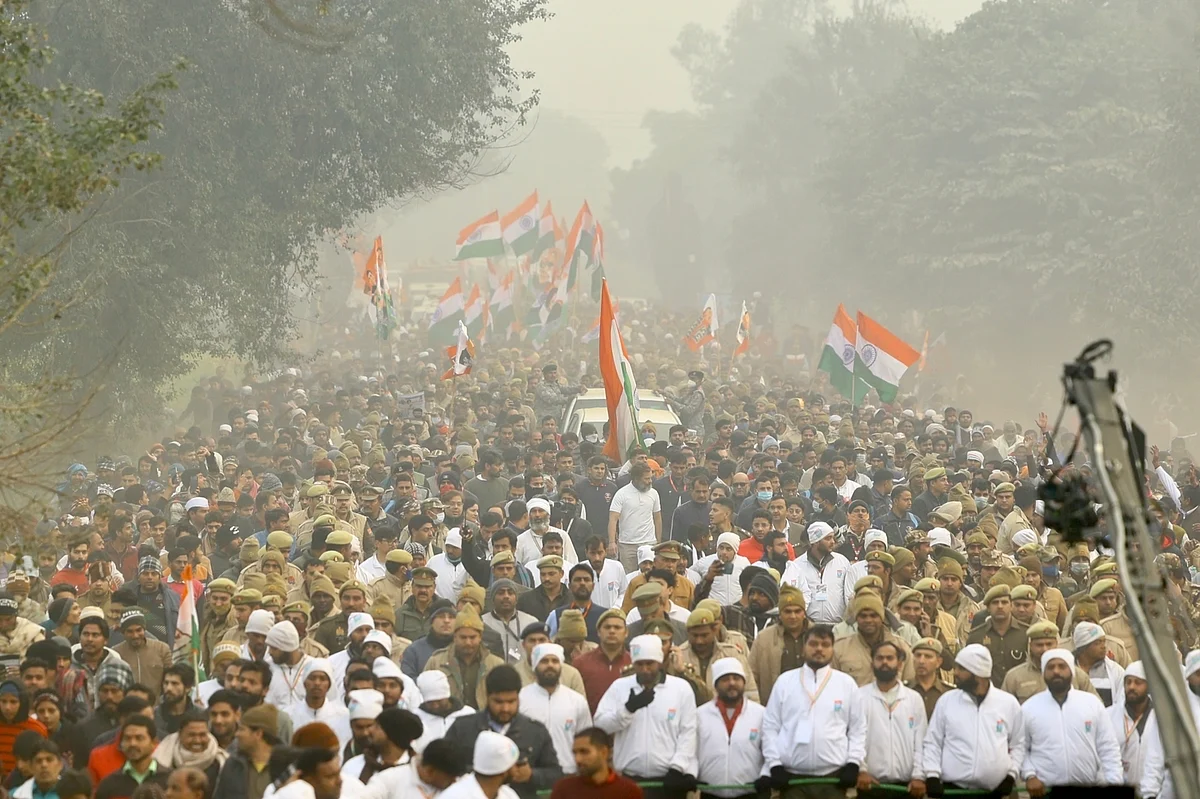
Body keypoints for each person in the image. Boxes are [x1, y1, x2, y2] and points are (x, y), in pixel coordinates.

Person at [759, 625, 864, 799]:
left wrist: (853, 763)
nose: (819, 649)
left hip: (833, 778)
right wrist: (774, 764)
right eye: (813, 644)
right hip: (793, 779)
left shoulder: (846, 683)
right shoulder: (785, 682)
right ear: (804, 647)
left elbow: (858, 729)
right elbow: (770, 727)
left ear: (832, 649)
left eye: (825, 644)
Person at [594, 634, 698, 799]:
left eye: (649, 664)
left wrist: (678, 767)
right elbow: (600, 726)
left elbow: (688, 732)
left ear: (660, 661)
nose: (644, 669)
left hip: (668, 781)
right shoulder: (620, 687)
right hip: (629, 780)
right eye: (639, 664)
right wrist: (627, 710)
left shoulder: (680, 689)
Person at [442, 665, 563, 799]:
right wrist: (483, 774)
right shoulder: (462, 727)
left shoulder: (535, 731)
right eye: (498, 702)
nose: (505, 708)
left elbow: (556, 774)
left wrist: (531, 775)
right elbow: (443, 768)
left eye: (511, 701)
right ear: (487, 697)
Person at [921, 644, 1024, 796]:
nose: (955, 673)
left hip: (994, 792)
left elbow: (1019, 745)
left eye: (961, 669)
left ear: (978, 673)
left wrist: (1011, 775)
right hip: (953, 791)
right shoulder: (947, 701)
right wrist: (932, 775)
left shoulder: (1008, 703)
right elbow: (933, 742)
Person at [1019, 648, 1122, 793]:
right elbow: (1020, 749)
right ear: (1043, 673)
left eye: (1062, 666)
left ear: (1072, 671)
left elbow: (1108, 748)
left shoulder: (1091, 703)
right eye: (1051, 667)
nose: (1056, 671)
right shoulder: (1029, 708)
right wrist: (1030, 775)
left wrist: (1113, 781)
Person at [856, 640, 927, 799]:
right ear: (872, 663)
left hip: (907, 788)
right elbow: (854, 739)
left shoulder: (913, 699)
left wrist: (918, 776)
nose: (885, 662)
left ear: (900, 664)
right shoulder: (859, 697)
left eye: (890, 658)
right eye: (880, 658)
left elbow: (921, 742)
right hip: (869, 786)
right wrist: (861, 770)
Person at [517, 644, 592, 775]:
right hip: (530, 774)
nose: (550, 665)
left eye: (555, 661)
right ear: (535, 666)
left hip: (568, 773)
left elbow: (586, 740)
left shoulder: (577, 701)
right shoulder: (520, 699)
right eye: (544, 661)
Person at [696, 657, 764, 799]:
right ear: (716, 685)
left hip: (751, 793)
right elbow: (690, 752)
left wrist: (767, 775)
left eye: (736, 678)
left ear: (744, 682)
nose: (732, 683)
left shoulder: (761, 714)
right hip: (711, 793)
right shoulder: (699, 715)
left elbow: (771, 751)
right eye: (725, 679)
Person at [423, 609, 506, 710]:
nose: (468, 642)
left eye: (472, 637)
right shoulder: (436, 662)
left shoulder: (496, 665)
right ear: (454, 637)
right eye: (463, 637)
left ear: (480, 637)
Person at [747, 584, 808, 705]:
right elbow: (752, 677)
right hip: (774, 706)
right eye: (787, 611)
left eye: (797, 611)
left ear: (804, 613)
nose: (793, 616)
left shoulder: (817, 636)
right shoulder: (764, 639)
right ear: (780, 613)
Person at [548, 727, 643, 799]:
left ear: (604, 752)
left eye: (584, 752)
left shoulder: (628, 791)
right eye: (575, 753)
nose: (578, 759)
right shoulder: (563, 789)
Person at [782, 523, 846, 625]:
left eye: (833, 538)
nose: (833, 542)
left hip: (837, 625)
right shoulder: (797, 565)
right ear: (816, 541)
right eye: (828, 538)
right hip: (808, 625)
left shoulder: (842, 561)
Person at [94, 717, 170, 799]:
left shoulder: (169, 780)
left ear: (154, 743)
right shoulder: (109, 784)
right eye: (127, 738)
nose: (132, 743)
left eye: (139, 738)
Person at [286, 659, 350, 753]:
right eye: (312, 678)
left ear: (329, 684)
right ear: (304, 682)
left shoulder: (343, 715)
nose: (317, 683)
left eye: (322, 679)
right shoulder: (289, 714)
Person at [213, 704, 277, 799]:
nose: (237, 734)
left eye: (242, 729)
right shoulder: (233, 765)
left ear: (258, 734)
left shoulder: (287, 767)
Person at [151, 709, 227, 788]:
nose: (197, 740)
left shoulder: (220, 764)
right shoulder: (164, 760)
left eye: (202, 735)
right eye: (192, 735)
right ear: (180, 734)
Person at [437, 730, 522, 799]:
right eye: (514, 765)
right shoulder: (455, 796)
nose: (518, 769)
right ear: (503, 771)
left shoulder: (508, 795)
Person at [608, 464, 662, 572]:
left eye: (650, 478)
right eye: (646, 479)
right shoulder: (621, 494)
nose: (650, 481)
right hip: (628, 545)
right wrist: (612, 542)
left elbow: (657, 518)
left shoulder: (654, 493)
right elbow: (613, 519)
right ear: (636, 479)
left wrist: (658, 542)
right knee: (629, 576)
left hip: (649, 543)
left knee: (651, 575)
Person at [1109, 660, 1154, 790]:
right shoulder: (1109, 716)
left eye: (1137, 682)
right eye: (1128, 682)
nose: (1131, 687)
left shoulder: (1161, 719)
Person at [112, 611, 173, 697]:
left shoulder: (162, 649)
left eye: (138, 630)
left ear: (144, 629)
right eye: (130, 631)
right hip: (126, 708)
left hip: (156, 707)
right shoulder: (115, 653)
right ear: (123, 633)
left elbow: (170, 679)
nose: (135, 635)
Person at [412, 671, 473, 753]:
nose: (435, 706)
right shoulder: (415, 717)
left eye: (439, 701)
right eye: (430, 702)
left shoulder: (468, 714)